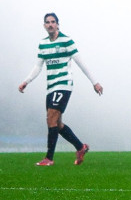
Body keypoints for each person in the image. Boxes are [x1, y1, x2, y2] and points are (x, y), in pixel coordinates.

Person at [19, 13, 101, 166]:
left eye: (53, 22)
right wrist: (26, 81)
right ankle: (80, 147)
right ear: (44, 26)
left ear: (57, 24)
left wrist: (94, 82)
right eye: (47, 22)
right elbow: (38, 66)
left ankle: (49, 158)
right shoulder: (43, 44)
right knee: (57, 123)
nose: (50, 24)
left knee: (51, 118)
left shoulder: (66, 41)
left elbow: (80, 62)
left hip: (63, 84)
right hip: (51, 86)